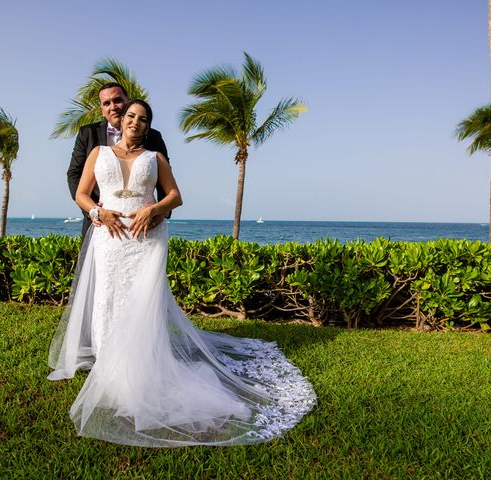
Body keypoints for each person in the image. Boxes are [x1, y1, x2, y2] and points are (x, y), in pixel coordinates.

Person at [48, 100, 316, 447]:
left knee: (141, 302)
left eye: (142, 119)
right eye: (131, 116)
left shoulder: (154, 158)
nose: (135, 122)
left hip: (148, 239)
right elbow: (82, 195)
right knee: (107, 300)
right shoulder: (98, 152)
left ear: (147, 127)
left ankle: (142, 369)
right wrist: (99, 213)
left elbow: (175, 196)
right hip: (110, 238)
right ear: (122, 119)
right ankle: (109, 371)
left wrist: (155, 208)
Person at [66, 82, 169, 237]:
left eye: (117, 100)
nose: (113, 106)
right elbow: (74, 174)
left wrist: (161, 211)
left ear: (127, 102)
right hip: (100, 223)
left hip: (145, 225)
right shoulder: (88, 134)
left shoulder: (153, 136)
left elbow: (165, 178)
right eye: (106, 103)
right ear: (102, 110)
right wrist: (94, 211)